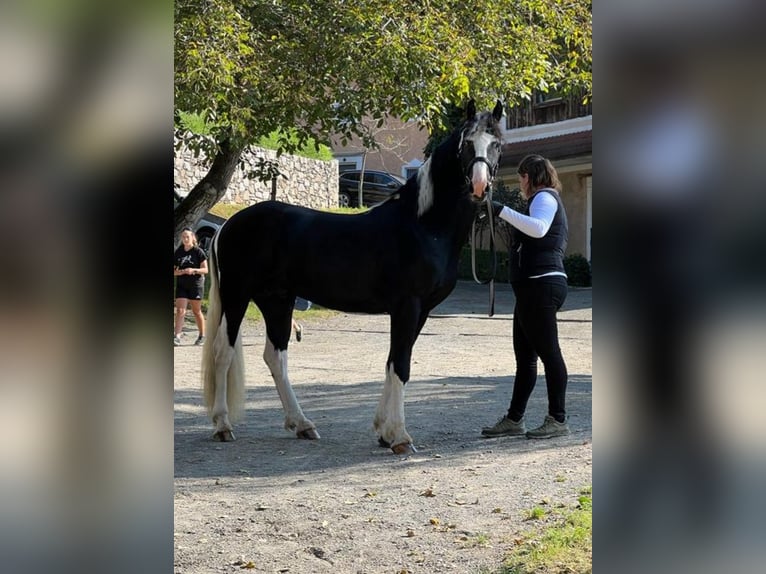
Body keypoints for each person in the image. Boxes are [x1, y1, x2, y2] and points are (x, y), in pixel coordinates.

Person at [481, 154, 571, 439]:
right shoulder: (541, 200)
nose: (520, 182)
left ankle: (557, 420)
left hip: (541, 286)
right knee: (526, 359)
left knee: (549, 355)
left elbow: (539, 228)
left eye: (522, 176)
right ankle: (514, 419)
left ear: (530, 176)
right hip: (533, 288)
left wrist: (502, 210)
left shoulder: (545, 198)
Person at [174, 227, 208, 346]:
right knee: (180, 310)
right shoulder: (178, 252)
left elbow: (205, 270)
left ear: (192, 237)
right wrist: (182, 271)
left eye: (187, 236)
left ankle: (202, 335)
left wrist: (193, 270)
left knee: (196, 311)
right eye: (183, 237)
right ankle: (177, 336)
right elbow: (174, 271)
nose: (185, 239)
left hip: (195, 285)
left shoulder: (198, 252)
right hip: (182, 285)